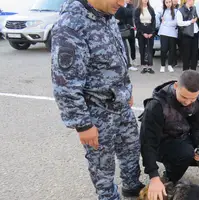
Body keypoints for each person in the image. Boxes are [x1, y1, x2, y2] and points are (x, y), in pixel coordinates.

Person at [50, 0, 144, 199]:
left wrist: (127, 90)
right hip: (96, 111)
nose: (123, 3)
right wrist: (83, 125)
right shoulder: (71, 25)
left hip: (120, 104)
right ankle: (108, 196)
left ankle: (131, 184)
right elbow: (65, 83)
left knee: (131, 147)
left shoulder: (106, 15)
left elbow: (118, 60)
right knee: (102, 163)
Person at [139, 70, 199, 200]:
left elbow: (198, 126)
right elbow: (147, 143)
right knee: (186, 153)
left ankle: (177, 162)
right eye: (184, 97)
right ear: (176, 86)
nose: (188, 102)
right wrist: (154, 177)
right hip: (162, 144)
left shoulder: (194, 101)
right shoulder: (156, 106)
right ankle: (169, 176)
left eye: (193, 98)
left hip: (181, 137)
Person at [177, 0, 199, 71]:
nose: (193, 1)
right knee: (186, 54)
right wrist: (190, 22)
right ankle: (185, 71)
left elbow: (197, 19)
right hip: (186, 34)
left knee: (194, 53)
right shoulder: (180, 10)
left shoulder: (194, 8)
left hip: (195, 33)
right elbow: (179, 23)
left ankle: (193, 70)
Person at [134, 0, 156, 74]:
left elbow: (154, 21)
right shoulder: (137, 10)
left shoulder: (151, 9)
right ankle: (143, 67)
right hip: (141, 31)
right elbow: (137, 22)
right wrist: (143, 33)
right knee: (142, 49)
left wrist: (152, 32)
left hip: (150, 30)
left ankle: (150, 67)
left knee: (149, 49)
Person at [115, 3, 138, 71]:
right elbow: (116, 16)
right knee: (124, 47)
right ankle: (127, 64)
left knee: (132, 45)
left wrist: (122, 10)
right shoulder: (118, 6)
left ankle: (133, 59)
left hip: (130, 29)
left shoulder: (130, 6)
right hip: (122, 29)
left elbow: (131, 13)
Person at [158, 0, 178, 73]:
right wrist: (165, 23)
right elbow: (158, 19)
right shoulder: (162, 11)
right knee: (163, 49)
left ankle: (170, 65)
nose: (168, 4)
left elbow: (175, 23)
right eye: (166, 2)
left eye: (169, 2)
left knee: (172, 50)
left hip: (172, 33)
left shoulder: (176, 11)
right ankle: (162, 65)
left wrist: (165, 23)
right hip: (163, 33)